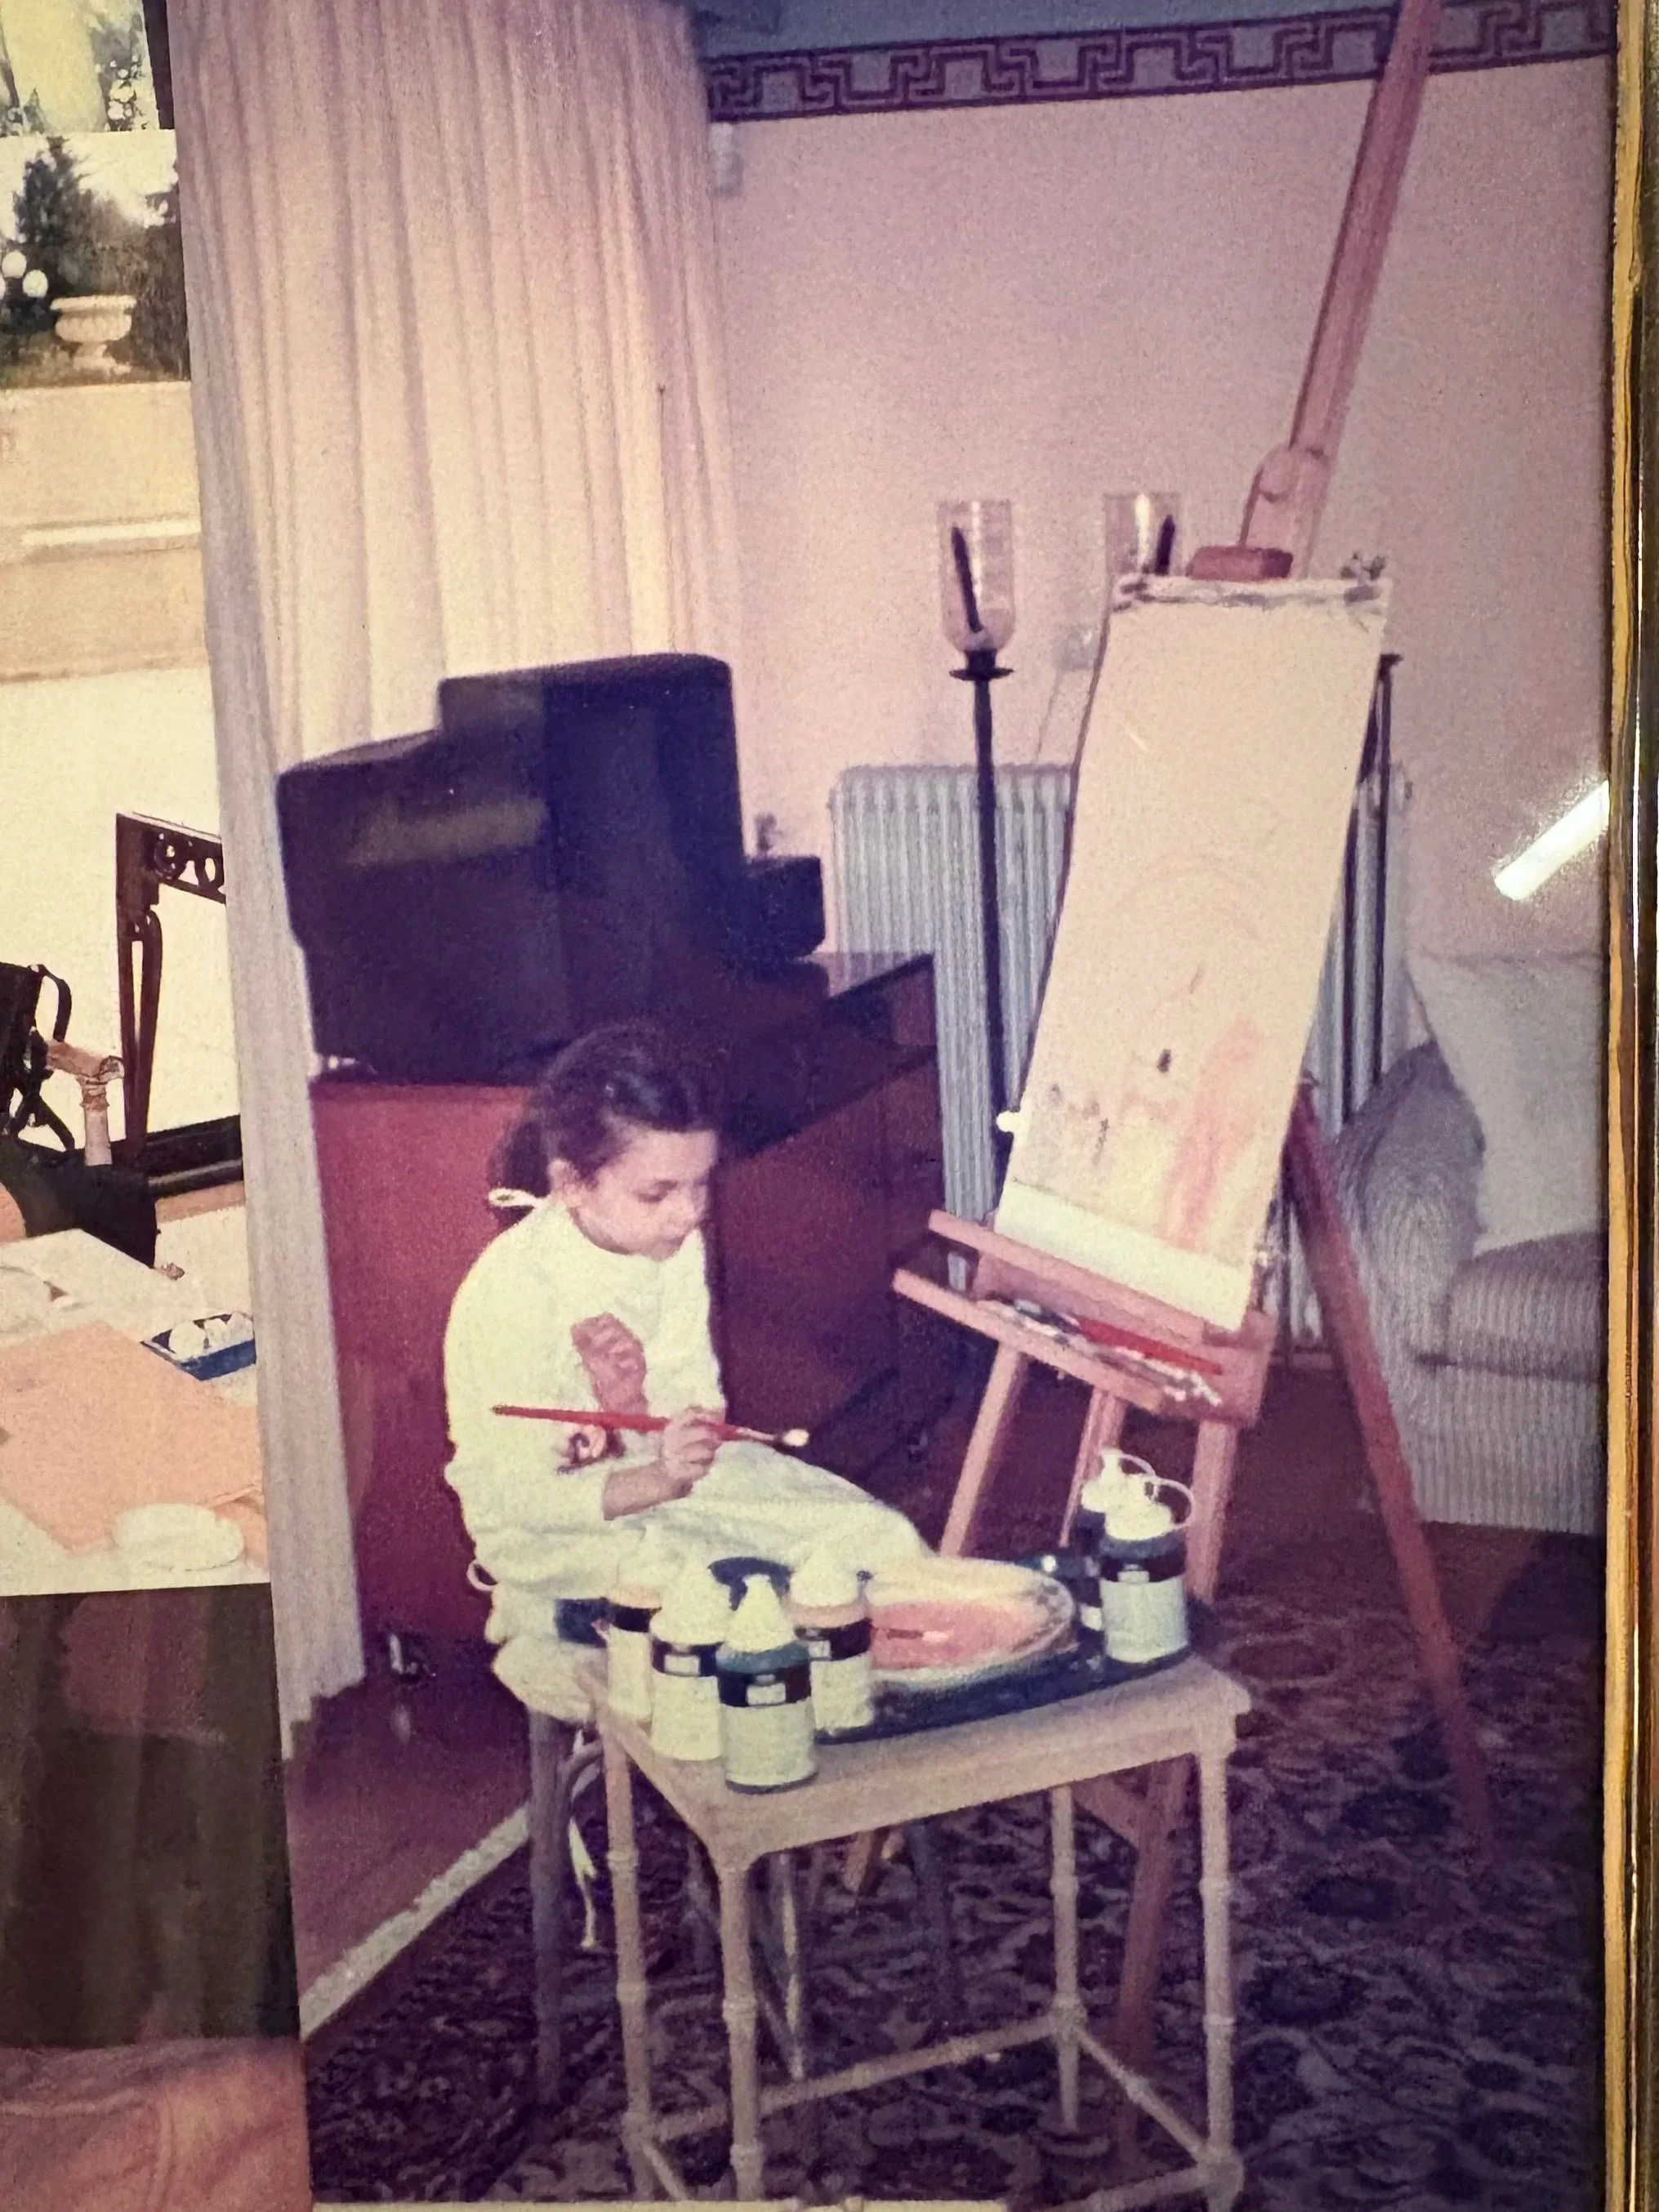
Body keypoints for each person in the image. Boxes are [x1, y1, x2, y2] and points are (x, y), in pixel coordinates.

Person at [443, 1019, 926, 1719]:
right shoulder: (512, 1294)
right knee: (761, 1604)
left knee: (882, 1543)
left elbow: (696, 1410)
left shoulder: (671, 1244)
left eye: (700, 1186)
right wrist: (655, 1473)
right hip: (560, 1541)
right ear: (572, 1184)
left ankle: (884, 1753)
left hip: (662, 1486)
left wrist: (634, 1401)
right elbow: (515, 1501)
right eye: (658, 1193)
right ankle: (562, 1620)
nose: (688, 1213)